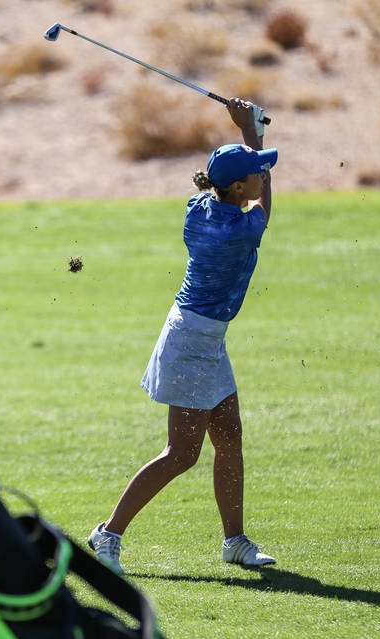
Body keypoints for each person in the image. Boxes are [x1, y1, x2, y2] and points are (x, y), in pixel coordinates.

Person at [88, 99, 278, 574]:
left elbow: (249, 184)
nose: (261, 175)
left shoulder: (200, 208)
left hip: (202, 336)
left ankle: (235, 541)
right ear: (238, 187)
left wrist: (244, 134)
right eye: (255, 172)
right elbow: (265, 201)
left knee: (229, 437)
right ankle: (106, 535)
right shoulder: (237, 229)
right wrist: (250, 133)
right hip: (193, 341)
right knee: (182, 454)